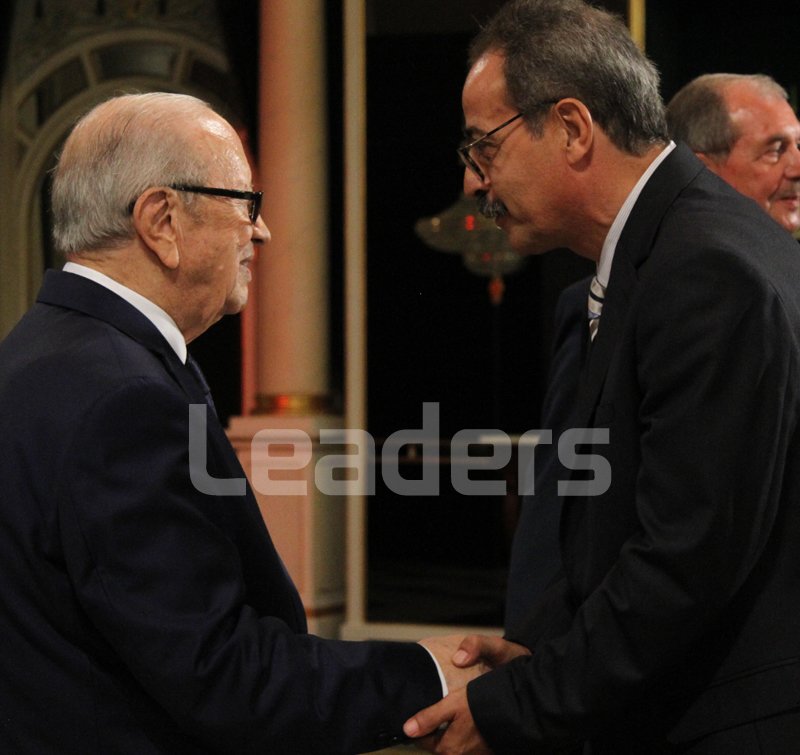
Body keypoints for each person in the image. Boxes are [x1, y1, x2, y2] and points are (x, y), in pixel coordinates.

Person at [0, 92, 483, 755]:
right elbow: (220, 674)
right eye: (246, 202)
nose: (262, 232)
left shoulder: (40, 348)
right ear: (162, 220)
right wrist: (431, 675)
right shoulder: (123, 397)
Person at [403, 1, 800, 752]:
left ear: (573, 127)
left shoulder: (706, 271)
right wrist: (543, 657)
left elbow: (684, 561)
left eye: (484, 146)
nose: (473, 179)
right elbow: (611, 530)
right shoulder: (659, 257)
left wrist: (523, 702)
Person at [505, 72, 800, 636]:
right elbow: (567, 499)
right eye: (774, 149)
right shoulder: (607, 300)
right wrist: (530, 656)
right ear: (706, 167)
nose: (797, 166)